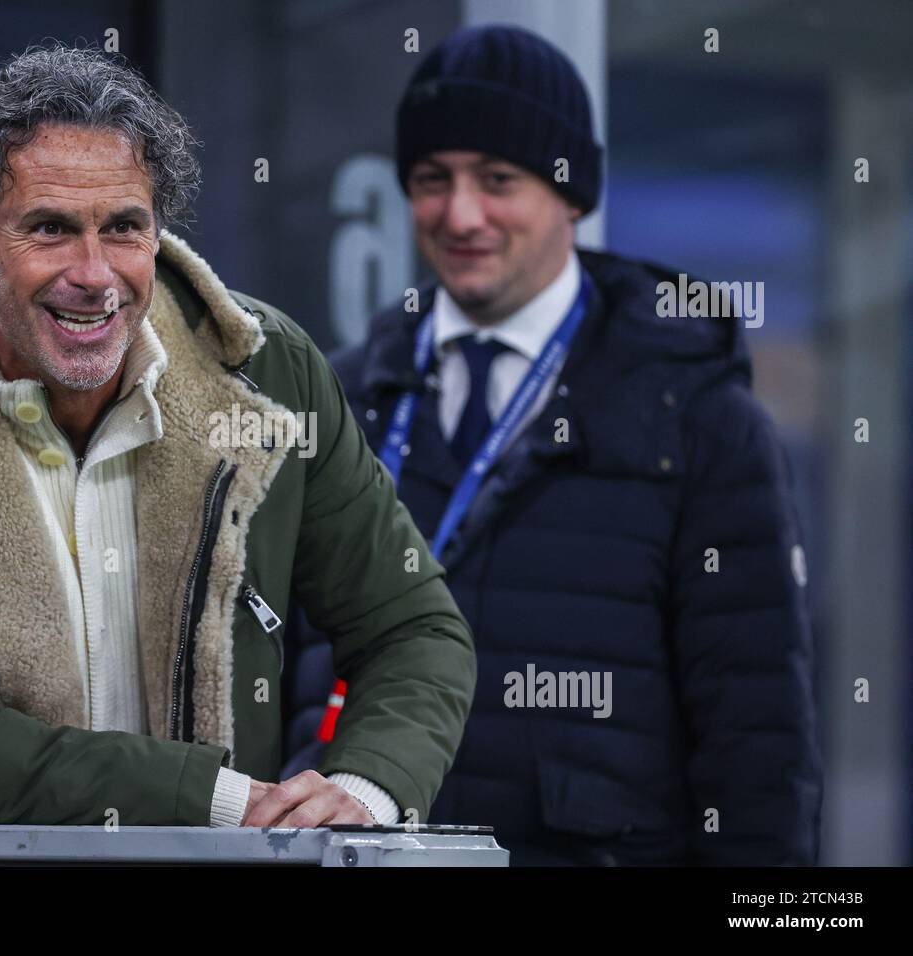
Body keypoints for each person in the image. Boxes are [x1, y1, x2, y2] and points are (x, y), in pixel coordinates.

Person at [0, 44, 475, 827]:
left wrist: (366, 792)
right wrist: (225, 801)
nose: (95, 273)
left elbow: (415, 629)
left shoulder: (271, 373)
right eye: (51, 229)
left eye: (125, 228)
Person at [284, 24, 822, 864]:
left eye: (499, 180)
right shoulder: (344, 397)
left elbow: (756, 731)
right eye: (433, 180)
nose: (461, 214)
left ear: (573, 194)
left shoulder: (695, 411)